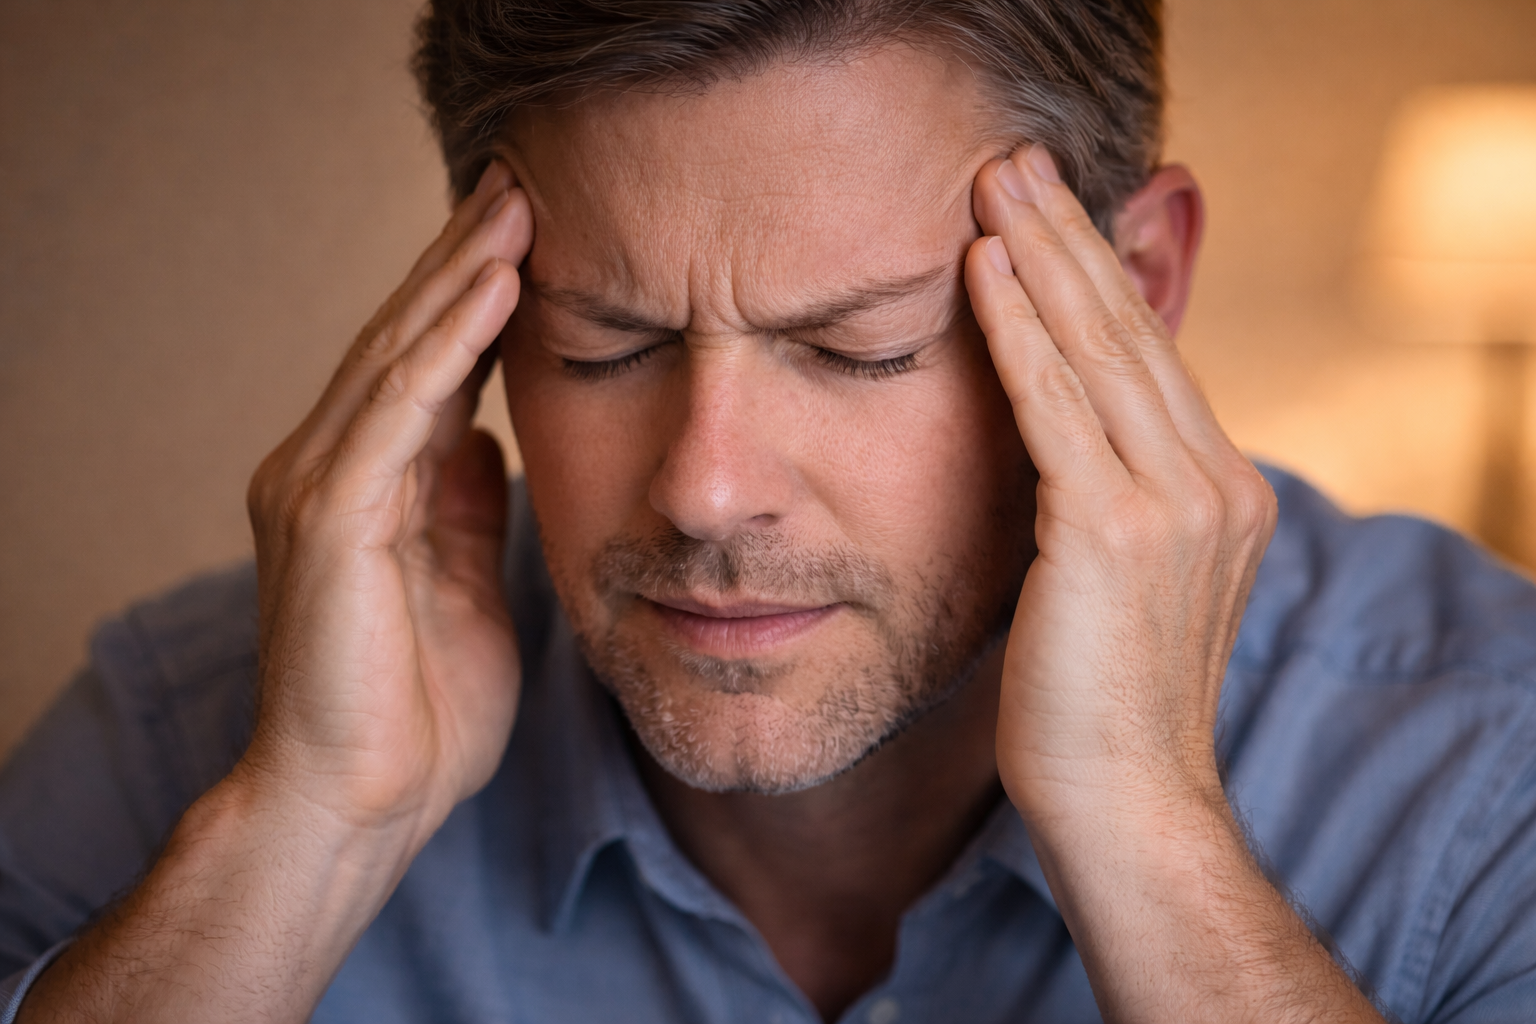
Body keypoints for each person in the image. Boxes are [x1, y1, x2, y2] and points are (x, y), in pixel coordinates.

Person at [3, 1, 1535, 1020]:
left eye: (858, 349)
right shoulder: (185, 741)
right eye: (603, 343)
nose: (705, 486)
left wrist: (1148, 832)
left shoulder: (1486, 764)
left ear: (1129, 294)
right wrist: (305, 836)